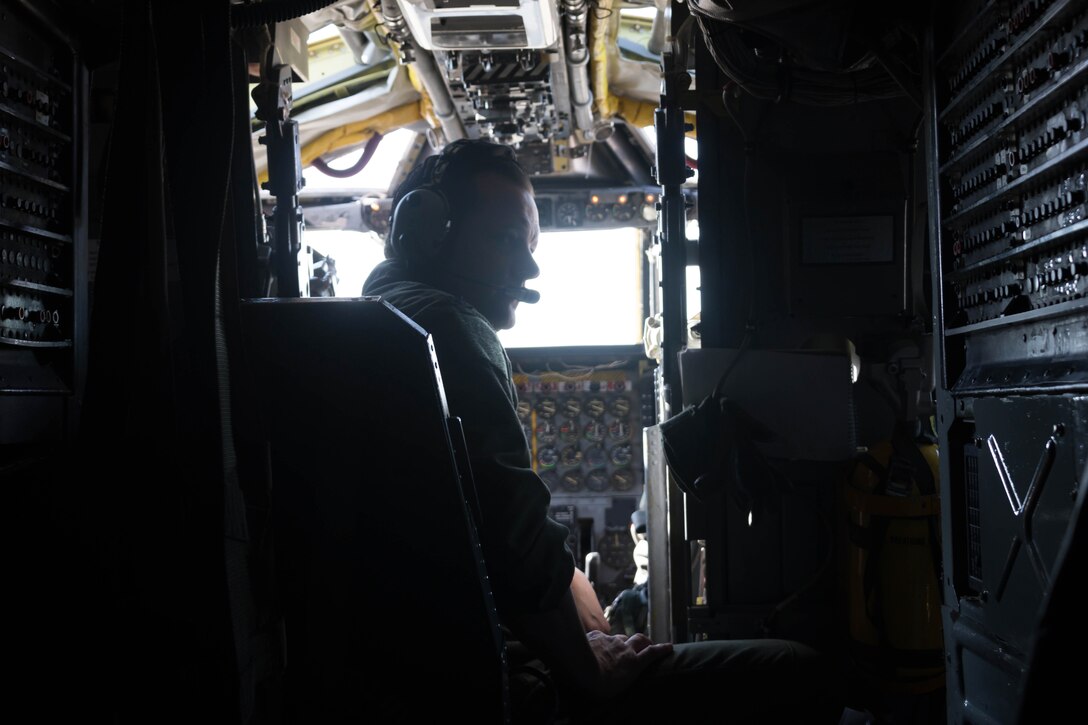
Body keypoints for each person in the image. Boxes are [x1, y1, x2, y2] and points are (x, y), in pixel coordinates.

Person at [362, 138, 843, 723]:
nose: (530, 268)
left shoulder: (382, 316)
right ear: (425, 229)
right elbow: (520, 546)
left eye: (533, 244)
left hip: (429, 665)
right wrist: (588, 668)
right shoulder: (452, 328)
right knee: (798, 671)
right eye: (506, 240)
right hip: (499, 681)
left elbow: (500, 531)